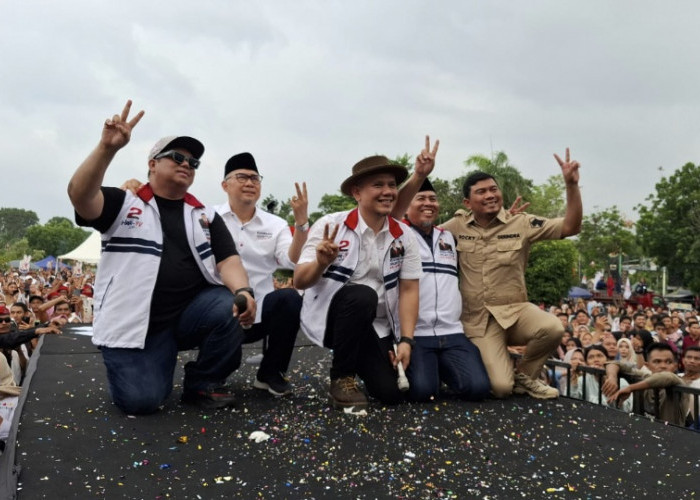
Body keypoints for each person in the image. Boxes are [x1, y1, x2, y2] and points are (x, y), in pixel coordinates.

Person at [67, 100, 256, 414]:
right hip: (135, 324)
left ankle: (202, 383)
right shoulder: (124, 203)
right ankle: (142, 361)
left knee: (229, 305)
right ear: (152, 164)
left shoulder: (204, 214)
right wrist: (106, 149)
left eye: (193, 162)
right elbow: (80, 195)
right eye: (177, 157)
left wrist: (243, 291)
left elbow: (227, 260)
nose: (186, 164)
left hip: (187, 315)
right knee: (143, 401)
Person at [294, 153, 423, 410]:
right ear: (357, 192)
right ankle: (341, 377)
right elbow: (299, 281)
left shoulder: (404, 235)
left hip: (376, 325)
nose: (388, 192)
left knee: (390, 393)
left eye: (391, 185)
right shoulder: (331, 225)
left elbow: (409, 289)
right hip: (334, 316)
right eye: (378, 185)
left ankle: (360, 363)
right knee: (363, 294)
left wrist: (406, 340)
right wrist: (321, 263)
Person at [214, 152, 308, 396]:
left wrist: (300, 225)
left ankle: (270, 372)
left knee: (289, 299)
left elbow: (292, 259)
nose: (249, 183)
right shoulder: (208, 217)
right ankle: (213, 372)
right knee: (218, 368)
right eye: (242, 177)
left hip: (262, 311)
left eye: (255, 178)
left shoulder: (274, 224)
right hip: (222, 309)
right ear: (225, 185)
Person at [400, 177, 490, 402]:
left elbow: (480, 231)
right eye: (420, 198)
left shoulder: (449, 236)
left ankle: (439, 368)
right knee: (423, 393)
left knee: (478, 388)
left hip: (452, 332)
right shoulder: (397, 235)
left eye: (433, 198)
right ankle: (427, 371)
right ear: (406, 205)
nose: (428, 203)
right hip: (416, 334)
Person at [605, 343, 693, 427]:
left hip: (670, 439)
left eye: (668, 362)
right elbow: (614, 363)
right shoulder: (645, 377)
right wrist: (612, 378)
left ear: (675, 366)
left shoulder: (678, 383)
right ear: (647, 365)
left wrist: (631, 388)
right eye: (657, 362)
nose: (663, 366)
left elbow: (667, 377)